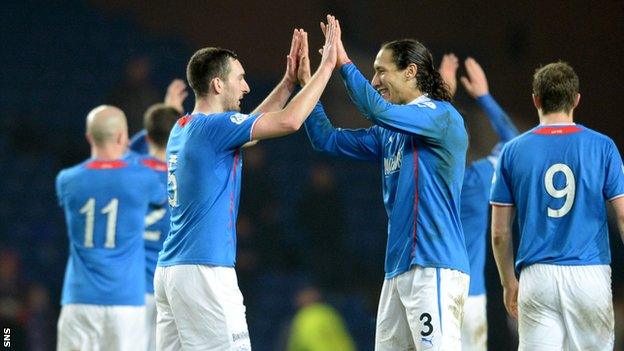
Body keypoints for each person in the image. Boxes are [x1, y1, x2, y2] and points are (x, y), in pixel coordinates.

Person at [154, 16, 339, 350]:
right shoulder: (214, 128)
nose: (246, 87)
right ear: (218, 85)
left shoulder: (184, 128)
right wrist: (325, 67)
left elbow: (251, 128)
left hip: (172, 271)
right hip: (205, 271)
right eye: (240, 79)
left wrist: (288, 82)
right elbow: (290, 120)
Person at [302, 19, 469, 350]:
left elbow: (373, 108)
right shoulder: (389, 132)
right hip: (397, 270)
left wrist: (344, 62)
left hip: (433, 265)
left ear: (410, 71)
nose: (375, 80)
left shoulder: (441, 116)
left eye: (382, 71)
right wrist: (308, 84)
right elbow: (325, 139)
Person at [490, 61, 624, 350]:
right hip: (589, 273)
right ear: (576, 100)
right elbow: (623, 216)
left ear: (536, 100)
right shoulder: (603, 147)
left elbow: (500, 232)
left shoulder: (512, 151)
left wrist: (507, 282)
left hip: (537, 277)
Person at [55, 105, 166, 351]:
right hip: (125, 302)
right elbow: (159, 170)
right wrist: (163, 123)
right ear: (121, 137)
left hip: (78, 299)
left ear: (89, 137)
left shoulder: (66, 180)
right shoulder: (142, 178)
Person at [439, 55, 519, 351]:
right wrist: (483, 96)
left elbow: (427, 134)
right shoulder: (480, 178)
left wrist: (441, 96)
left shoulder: (422, 178)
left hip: (432, 291)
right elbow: (512, 142)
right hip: (472, 295)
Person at [129, 102, 182, 351]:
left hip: (127, 285)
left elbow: (119, 147)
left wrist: (158, 119)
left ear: (148, 135)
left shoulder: (128, 169)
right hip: (165, 288)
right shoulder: (183, 177)